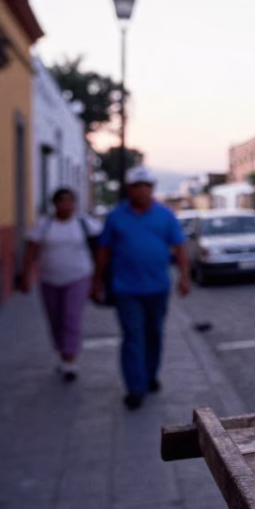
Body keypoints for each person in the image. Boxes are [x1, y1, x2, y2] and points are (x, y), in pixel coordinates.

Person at [93, 166, 191, 409]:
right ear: (129, 189)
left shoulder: (165, 215)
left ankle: (150, 374)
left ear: (152, 188)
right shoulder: (117, 216)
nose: (143, 190)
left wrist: (184, 277)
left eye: (147, 185)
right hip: (126, 289)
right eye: (138, 186)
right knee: (132, 335)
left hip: (158, 287)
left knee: (154, 333)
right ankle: (135, 388)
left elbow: (180, 248)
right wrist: (95, 283)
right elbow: (103, 252)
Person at [20, 188, 100, 381]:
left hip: (79, 276)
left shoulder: (84, 223)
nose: (66, 205)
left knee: (71, 317)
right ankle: (62, 353)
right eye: (61, 201)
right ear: (54, 204)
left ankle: (70, 361)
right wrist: (26, 274)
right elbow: (31, 250)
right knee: (55, 318)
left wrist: (100, 277)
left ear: (75, 204)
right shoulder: (44, 225)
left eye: (70, 201)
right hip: (49, 279)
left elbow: (101, 247)